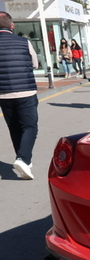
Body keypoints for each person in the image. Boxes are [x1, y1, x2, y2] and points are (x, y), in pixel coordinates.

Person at [0, 11, 38, 180]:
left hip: (3, 94)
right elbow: (35, 64)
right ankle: (23, 159)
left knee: (14, 127)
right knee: (30, 127)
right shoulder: (24, 42)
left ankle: (23, 160)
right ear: (12, 25)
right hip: (26, 91)